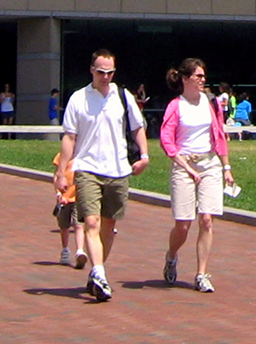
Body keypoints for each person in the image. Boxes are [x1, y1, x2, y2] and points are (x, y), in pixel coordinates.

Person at [54, 49, 150, 302]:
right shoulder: (79, 98)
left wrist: (144, 155)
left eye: (109, 72)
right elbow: (69, 137)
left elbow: (137, 127)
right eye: (100, 72)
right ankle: (98, 272)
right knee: (92, 222)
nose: (105, 77)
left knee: (109, 224)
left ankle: (98, 272)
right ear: (91, 70)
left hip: (118, 169)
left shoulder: (123, 96)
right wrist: (62, 171)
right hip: (87, 168)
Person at [159, 58, 235, 293]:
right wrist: (186, 166)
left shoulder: (211, 102)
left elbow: (219, 135)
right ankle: (171, 256)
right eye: (198, 76)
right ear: (185, 79)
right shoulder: (176, 106)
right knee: (183, 224)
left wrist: (226, 168)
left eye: (203, 76)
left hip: (209, 162)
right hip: (184, 164)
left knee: (207, 219)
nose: (203, 80)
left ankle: (201, 274)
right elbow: (167, 140)